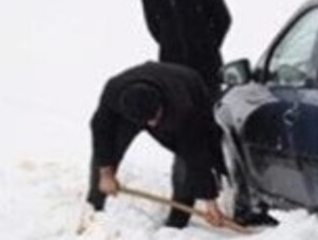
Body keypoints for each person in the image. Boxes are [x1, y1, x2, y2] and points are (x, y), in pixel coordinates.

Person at [87, 61, 230, 229]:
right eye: (148, 121)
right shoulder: (113, 93)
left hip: (188, 91)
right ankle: (93, 207)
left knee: (187, 160)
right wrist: (105, 173)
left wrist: (210, 202)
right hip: (136, 101)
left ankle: (178, 220)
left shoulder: (183, 106)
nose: (153, 124)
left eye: (155, 117)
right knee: (108, 151)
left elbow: (195, 153)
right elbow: (101, 132)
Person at [140, 0, 232, 97]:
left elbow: (222, 18)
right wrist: (171, 45)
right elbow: (154, 27)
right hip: (172, 66)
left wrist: (209, 45)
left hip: (206, 64)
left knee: (211, 106)